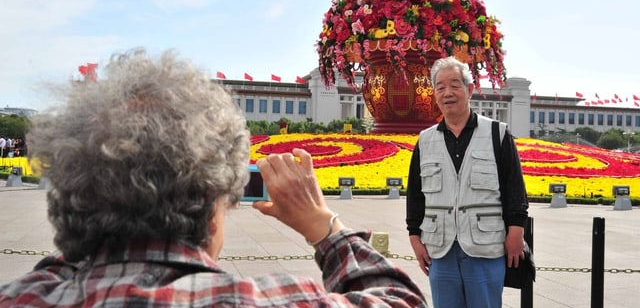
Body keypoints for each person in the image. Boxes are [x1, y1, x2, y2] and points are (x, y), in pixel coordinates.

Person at [0, 49, 428, 307]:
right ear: (212, 205)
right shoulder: (263, 299)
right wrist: (323, 225)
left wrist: (95, 222)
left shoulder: (23, 296)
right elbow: (401, 300)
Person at [405, 56, 529, 308]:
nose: (447, 93)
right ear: (434, 94)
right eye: (440, 87)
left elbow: (514, 187)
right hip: (441, 250)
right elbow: (416, 195)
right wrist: (414, 237)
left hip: (485, 248)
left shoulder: (497, 134)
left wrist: (516, 230)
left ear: (470, 89)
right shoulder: (425, 140)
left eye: (454, 85)